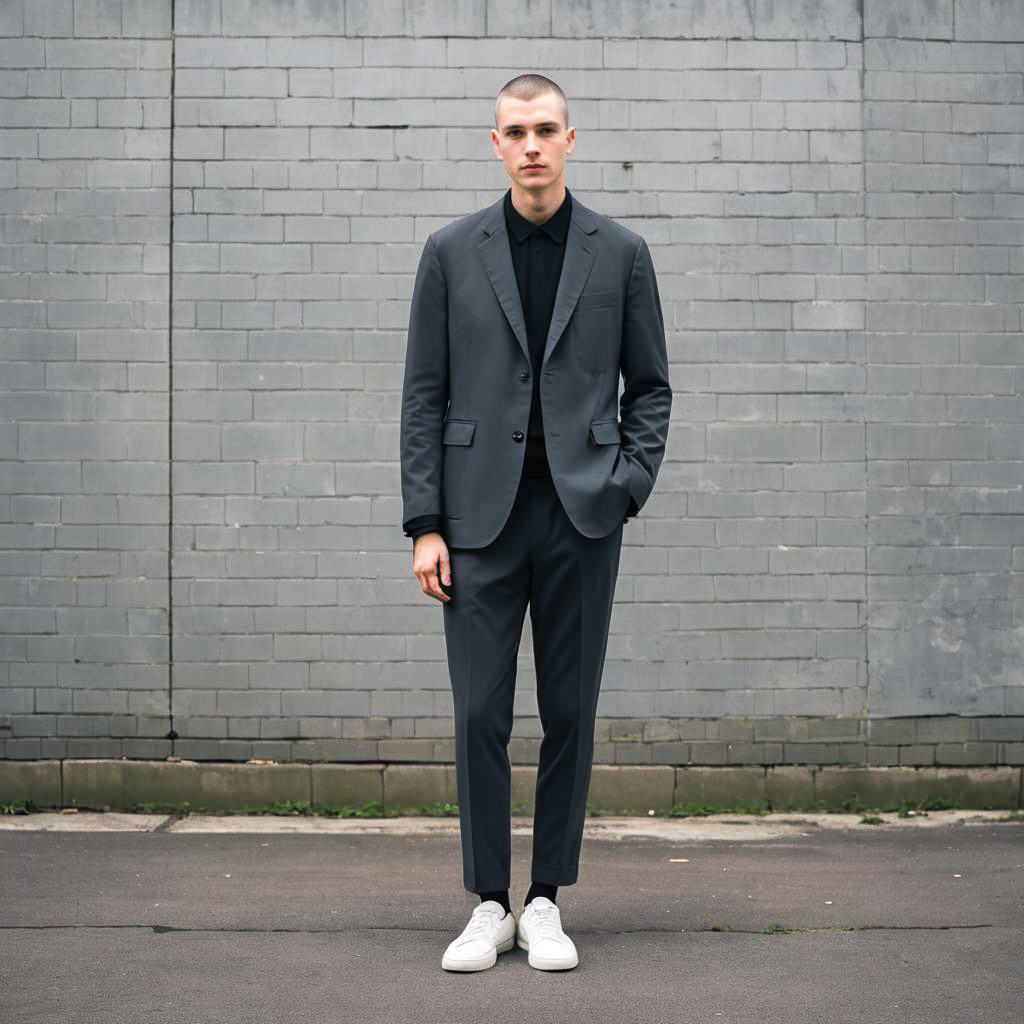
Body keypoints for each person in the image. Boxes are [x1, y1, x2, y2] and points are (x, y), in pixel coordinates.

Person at [399, 73, 672, 972]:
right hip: (477, 523)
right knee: (479, 713)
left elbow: (651, 388)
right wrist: (424, 523)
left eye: (546, 129)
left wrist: (626, 486)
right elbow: (425, 397)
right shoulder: (449, 251)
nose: (531, 145)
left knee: (570, 715)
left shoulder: (621, 252)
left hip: (582, 519)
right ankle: (487, 901)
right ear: (495, 142)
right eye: (516, 130)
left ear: (570, 138)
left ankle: (547, 896)